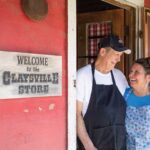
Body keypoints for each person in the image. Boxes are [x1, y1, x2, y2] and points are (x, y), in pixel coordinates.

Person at [76, 34, 131, 150]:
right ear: (102, 52)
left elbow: (130, 107)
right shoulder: (82, 76)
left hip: (120, 145)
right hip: (94, 145)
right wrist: (88, 145)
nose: (119, 59)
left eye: (120, 55)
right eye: (116, 54)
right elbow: (76, 114)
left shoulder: (119, 76)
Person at [124, 57, 150, 150]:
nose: (131, 75)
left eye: (136, 72)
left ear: (148, 77)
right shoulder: (125, 94)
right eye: (131, 71)